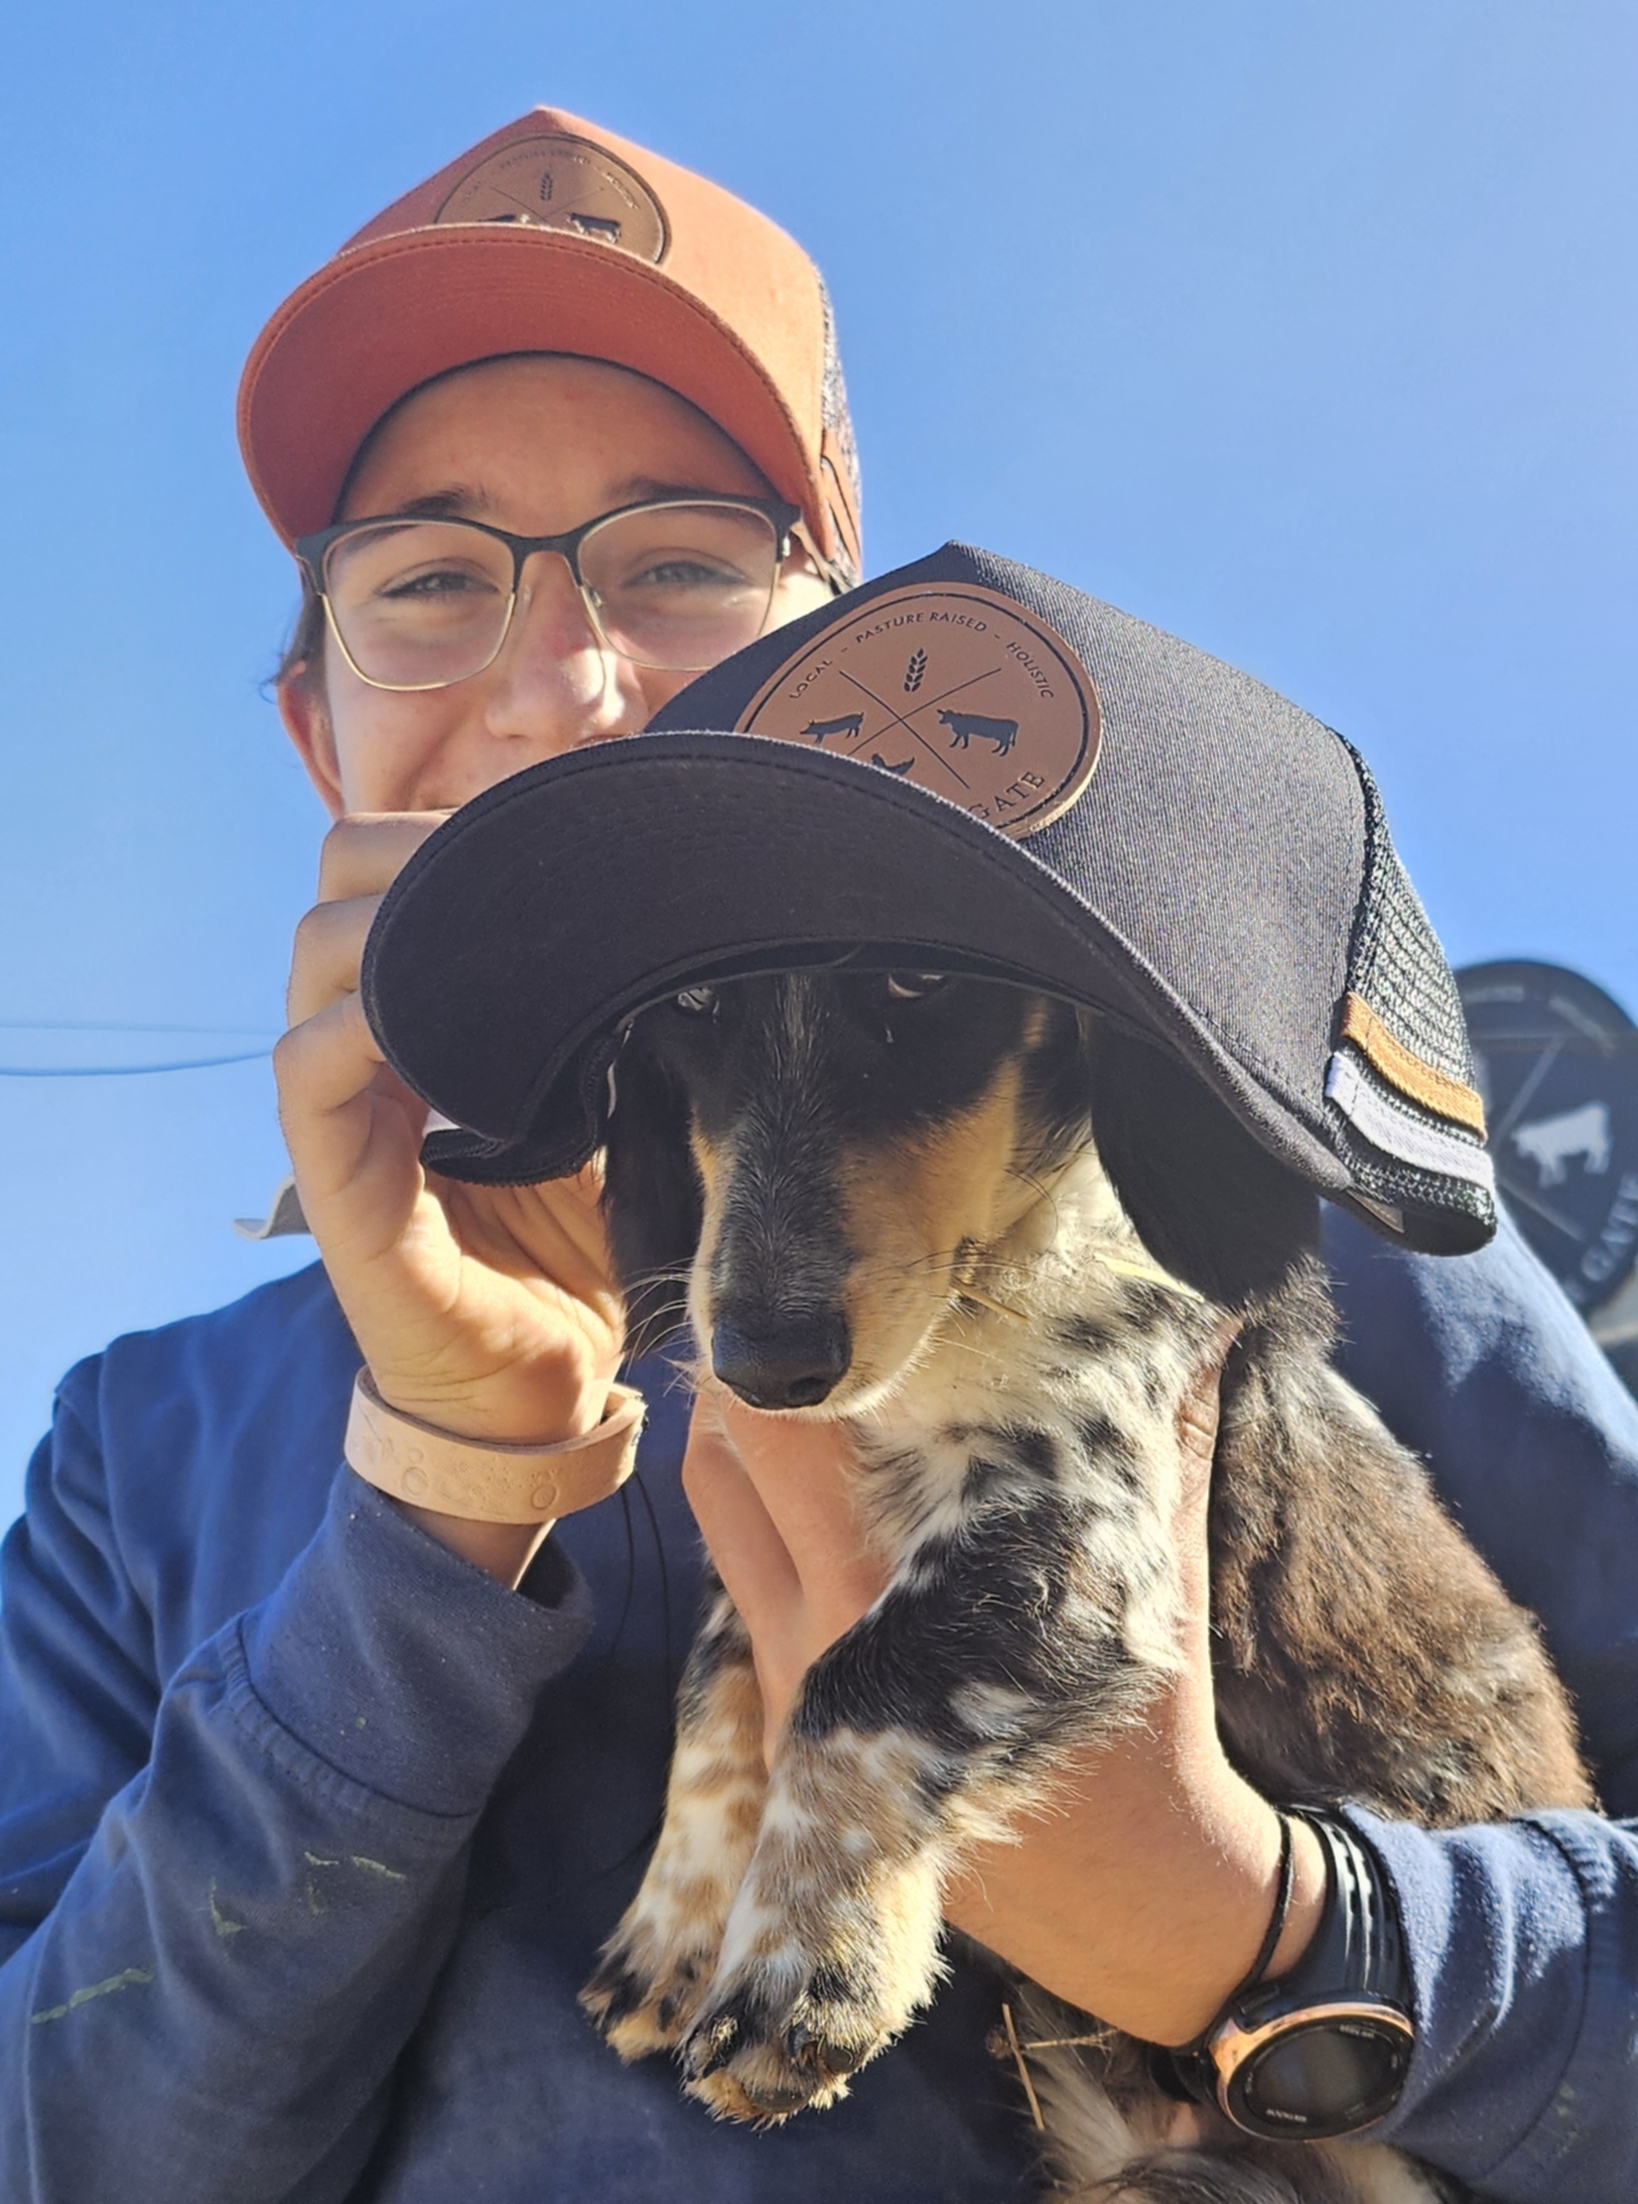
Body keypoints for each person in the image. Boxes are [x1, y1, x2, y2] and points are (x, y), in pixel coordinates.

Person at [1, 106, 1635, 2204]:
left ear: (860, 661)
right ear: (322, 722)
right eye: (426, 581)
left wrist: (1283, 1934)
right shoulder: (145, 1449)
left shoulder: (1266, 1184)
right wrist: (439, 1492)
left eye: (680, 563)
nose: (569, 687)